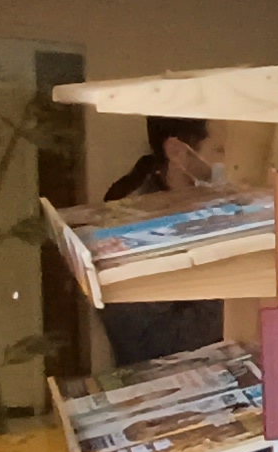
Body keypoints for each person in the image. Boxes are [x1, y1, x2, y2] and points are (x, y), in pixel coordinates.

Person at [97, 114, 232, 363]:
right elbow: (149, 345)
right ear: (177, 152)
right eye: (221, 150)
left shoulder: (216, 206)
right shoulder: (130, 227)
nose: (233, 164)